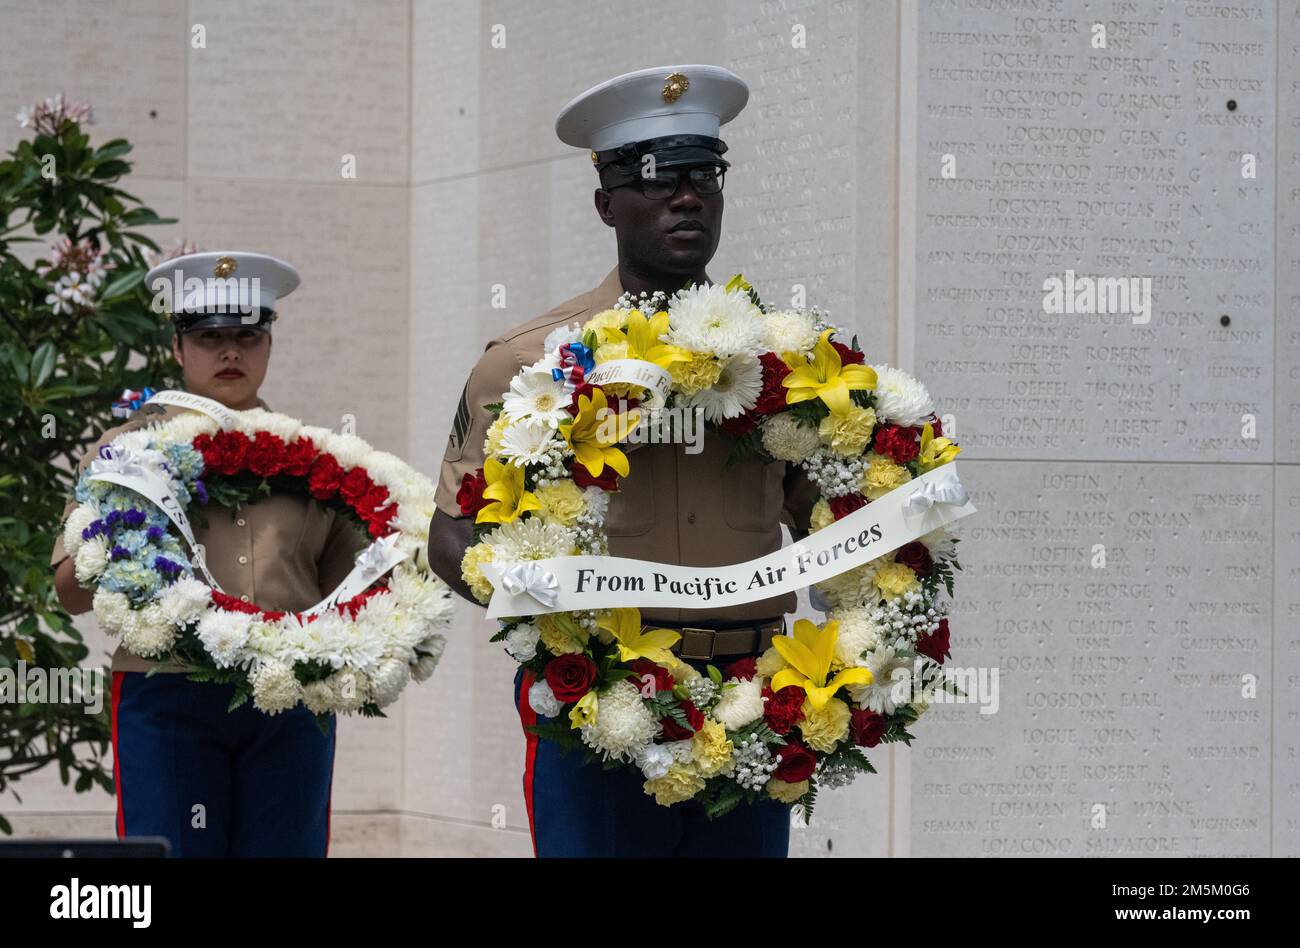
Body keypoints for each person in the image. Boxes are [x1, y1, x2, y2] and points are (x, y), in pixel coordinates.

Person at [426, 66, 818, 857]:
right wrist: (552, 621)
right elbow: (450, 539)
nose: (687, 197)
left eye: (704, 174)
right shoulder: (529, 364)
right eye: (656, 176)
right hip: (594, 710)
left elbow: (835, 517)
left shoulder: (790, 364)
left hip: (746, 704)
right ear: (605, 202)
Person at [51, 251, 366, 857]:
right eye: (209, 337)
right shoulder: (124, 452)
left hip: (285, 694)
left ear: (269, 343)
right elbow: (69, 591)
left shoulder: (318, 460)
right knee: (168, 856)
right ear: (177, 349)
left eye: (247, 335)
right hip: (166, 693)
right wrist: (124, 524)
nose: (230, 353)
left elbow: (350, 590)